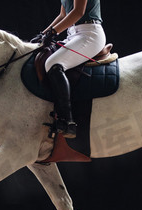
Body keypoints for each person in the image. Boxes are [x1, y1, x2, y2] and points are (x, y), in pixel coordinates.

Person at [31, 0, 106, 138]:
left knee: (53, 64)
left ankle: (67, 121)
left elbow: (78, 12)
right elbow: (63, 14)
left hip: (89, 34)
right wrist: (44, 34)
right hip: (73, 34)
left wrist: (53, 32)